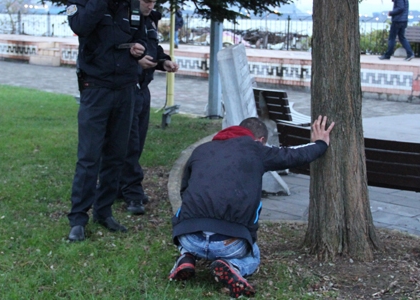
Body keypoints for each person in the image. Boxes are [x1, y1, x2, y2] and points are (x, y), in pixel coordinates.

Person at [168, 116, 335, 298]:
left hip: (188, 236)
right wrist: (320, 144)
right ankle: (234, 266)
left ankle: (186, 257)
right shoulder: (256, 150)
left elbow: (184, 191)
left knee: (188, 215)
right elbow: (292, 155)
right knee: (253, 253)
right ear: (261, 141)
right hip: (229, 244)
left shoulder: (201, 150)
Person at [65, 0, 147, 242]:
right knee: (89, 156)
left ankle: (104, 211)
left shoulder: (131, 5)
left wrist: (140, 47)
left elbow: (142, 35)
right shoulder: (81, 3)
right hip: (95, 88)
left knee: (116, 154)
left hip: (125, 88)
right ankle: (78, 218)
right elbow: (80, 26)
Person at [118, 0, 180, 215]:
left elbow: (155, 50)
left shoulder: (150, 21)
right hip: (126, 88)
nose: (150, 5)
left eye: (153, 1)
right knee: (130, 143)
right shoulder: (124, 17)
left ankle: (120, 185)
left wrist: (164, 63)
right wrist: (135, 63)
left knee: (138, 141)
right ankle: (132, 192)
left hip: (143, 89)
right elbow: (113, 51)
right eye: (146, 0)